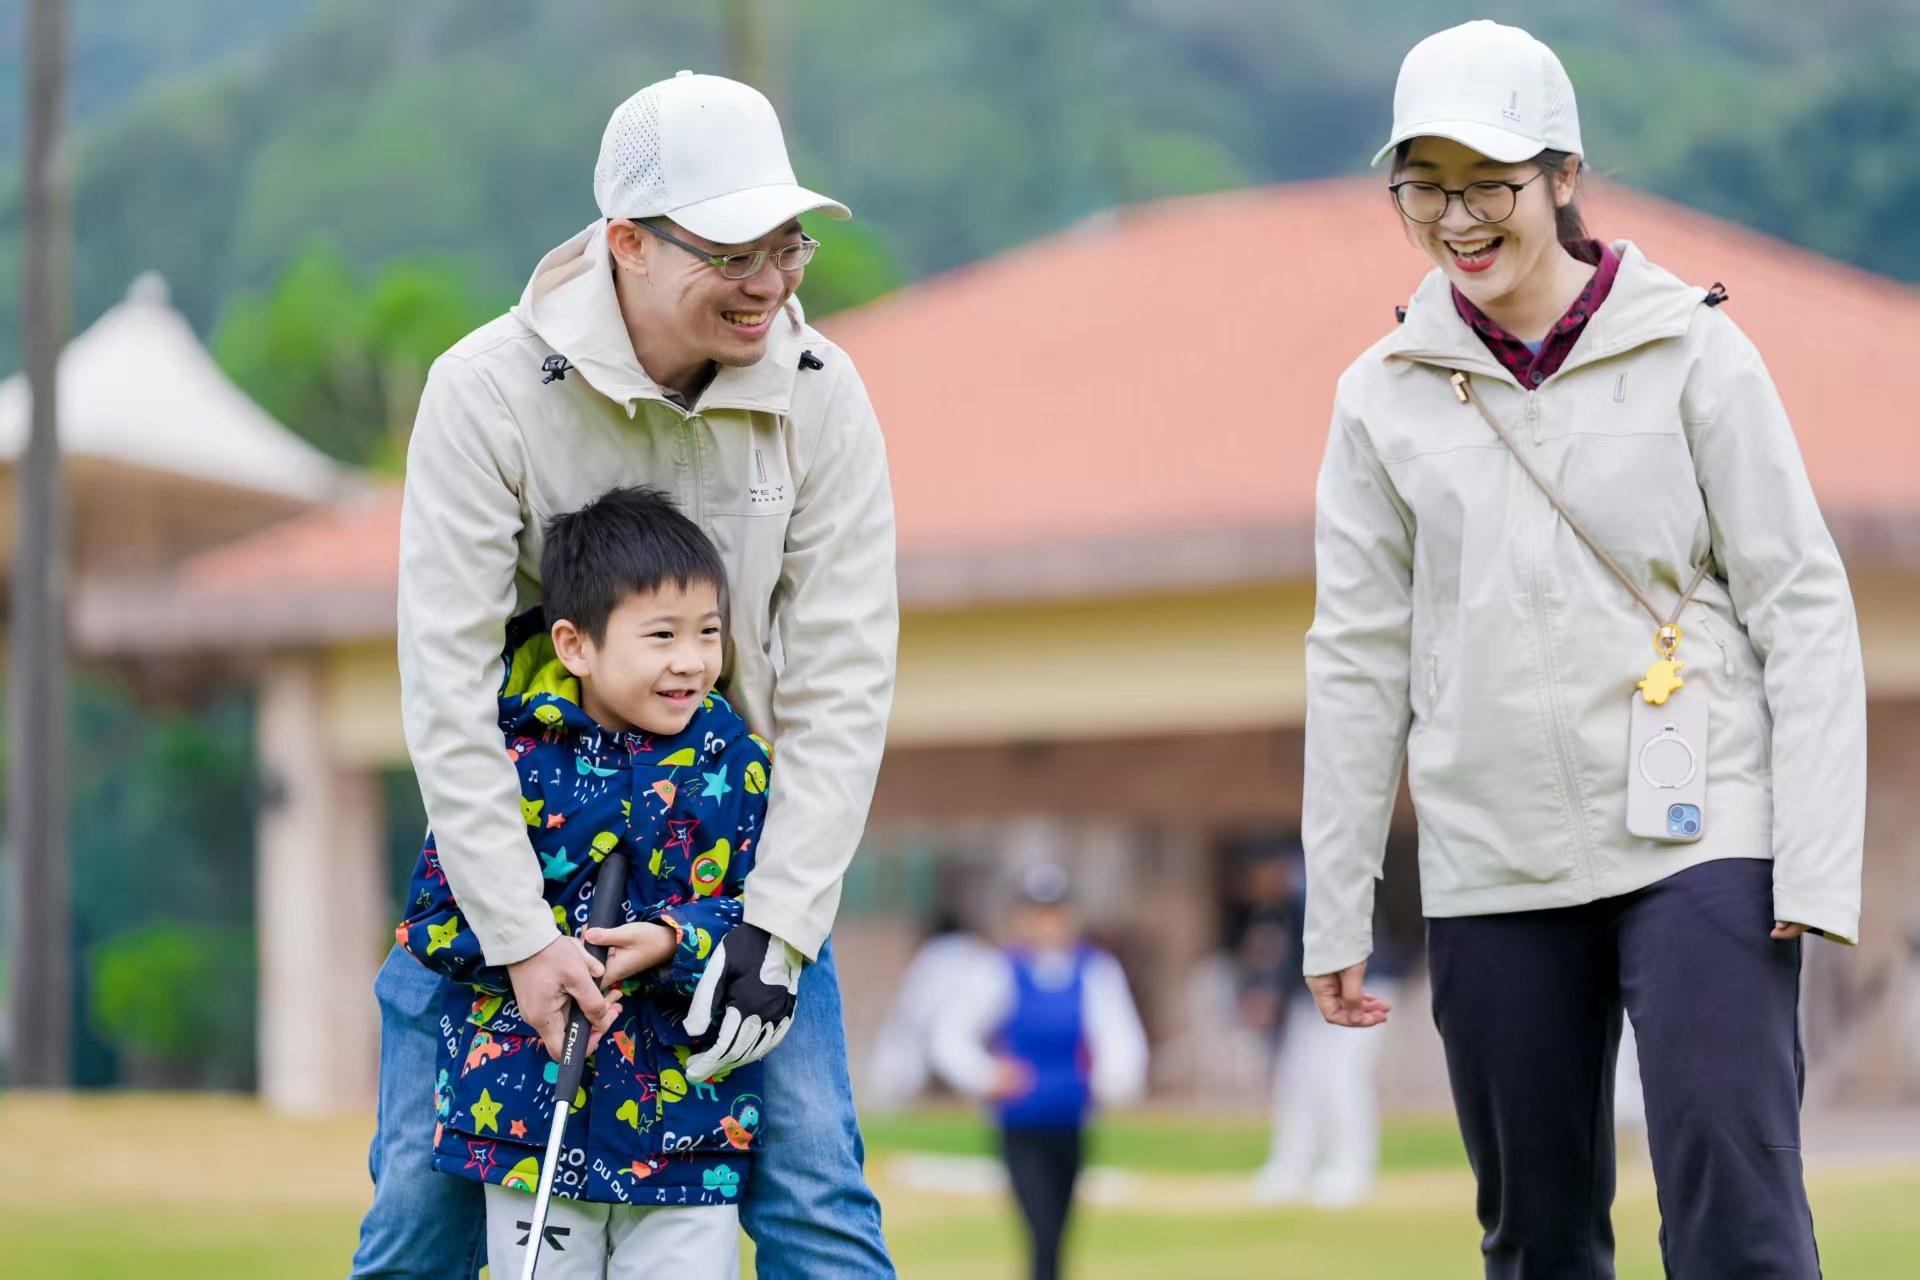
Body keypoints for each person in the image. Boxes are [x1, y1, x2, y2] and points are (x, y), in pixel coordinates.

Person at [1302, 20, 1864, 1278]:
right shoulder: (1378, 394)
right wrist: (1337, 896)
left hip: (1702, 828)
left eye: (1489, 183)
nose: (1458, 219)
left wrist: (1815, 863)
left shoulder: (1695, 349)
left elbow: (1803, 605)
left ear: (1564, 176)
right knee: (1537, 1236)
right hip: (1491, 851)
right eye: (1424, 187)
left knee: (1736, 1211)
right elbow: (1354, 658)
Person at [353, 71, 898, 1279]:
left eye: (788, 243)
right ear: (628, 243)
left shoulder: (823, 396)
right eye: (734, 247)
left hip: (732, 882)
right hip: (520, 868)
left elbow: (842, 682)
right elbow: (445, 690)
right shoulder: (484, 389)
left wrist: (777, 926)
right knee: (417, 1219)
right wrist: (517, 936)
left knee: (818, 1197)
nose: (770, 279)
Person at [399, 486, 769, 1276]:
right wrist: (534, 945)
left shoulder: (737, 767)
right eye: (662, 634)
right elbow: (432, 915)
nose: (692, 660)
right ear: (575, 645)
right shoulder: (510, 765)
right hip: (529, 1125)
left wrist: (678, 940)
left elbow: (766, 915)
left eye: (708, 632)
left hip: (686, 1132)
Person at [931, 864, 1148, 1280]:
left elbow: (1120, 1038)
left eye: (1055, 912)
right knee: (1041, 1229)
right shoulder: (999, 970)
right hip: (1022, 1124)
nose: (1047, 924)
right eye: (1037, 913)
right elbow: (950, 1035)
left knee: (1060, 1232)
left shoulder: (1096, 971)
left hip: (1070, 1121)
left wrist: (1113, 1082)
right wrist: (987, 1075)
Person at [1247, 847, 1397, 1208]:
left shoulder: (1309, 888)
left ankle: (1352, 1167)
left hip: (1360, 988)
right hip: (1315, 997)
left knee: (1340, 1077)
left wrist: (1273, 997)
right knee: (1297, 1078)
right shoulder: (1287, 898)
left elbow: (1310, 955)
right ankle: (1291, 1166)